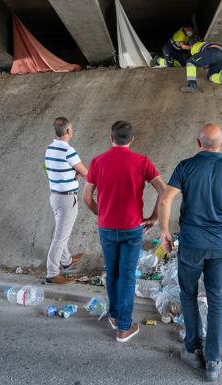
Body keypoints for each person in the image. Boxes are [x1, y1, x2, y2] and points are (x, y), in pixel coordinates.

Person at [158, 123, 222, 381]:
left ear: (198, 142)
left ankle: (192, 350)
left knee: (189, 295)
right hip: (219, 246)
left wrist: (164, 232)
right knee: (216, 301)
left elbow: (165, 199)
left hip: (191, 244)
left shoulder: (185, 167)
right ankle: (213, 361)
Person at [83, 120, 166, 343]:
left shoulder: (97, 161)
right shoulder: (142, 162)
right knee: (127, 276)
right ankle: (123, 327)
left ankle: (114, 315)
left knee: (112, 271)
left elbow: (86, 197)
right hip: (132, 228)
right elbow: (163, 190)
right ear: (132, 140)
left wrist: (100, 214)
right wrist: (154, 217)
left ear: (111, 139)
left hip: (107, 227)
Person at [44, 117, 89, 284]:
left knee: (62, 232)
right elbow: (86, 172)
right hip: (67, 199)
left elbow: (59, 169)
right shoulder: (68, 151)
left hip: (55, 196)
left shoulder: (50, 148)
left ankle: (66, 261)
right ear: (68, 131)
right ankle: (52, 273)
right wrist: (78, 174)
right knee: (60, 237)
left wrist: (73, 174)